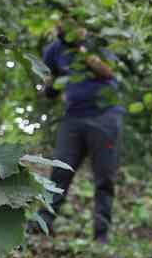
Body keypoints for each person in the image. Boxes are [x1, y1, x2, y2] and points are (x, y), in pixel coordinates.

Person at [37, 22, 123, 243]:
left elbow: (109, 72)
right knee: (60, 171)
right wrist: (50, 86)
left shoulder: (98, 43)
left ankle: (101, 235)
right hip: (73, 117)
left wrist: (85, 53)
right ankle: (42, 224)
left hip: (105, 115)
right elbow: (49, 87)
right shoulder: (54, 50)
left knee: (104, 177)